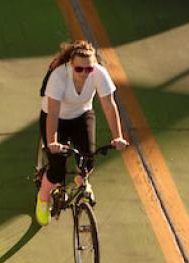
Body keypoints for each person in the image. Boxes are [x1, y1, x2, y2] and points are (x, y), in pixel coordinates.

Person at [36, 40, 128, 226]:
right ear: (71, 65)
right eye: (80, 69)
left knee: (88, 159)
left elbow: (109, 106)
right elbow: (53, 112)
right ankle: (43, 198)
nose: (85, 73)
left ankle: (81, 182)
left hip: (81, 115)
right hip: (56, 118)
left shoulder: (99, 74)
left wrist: (118, 136)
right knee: (56, 169)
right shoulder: (59, 76)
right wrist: (52, 142)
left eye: (89, 69)